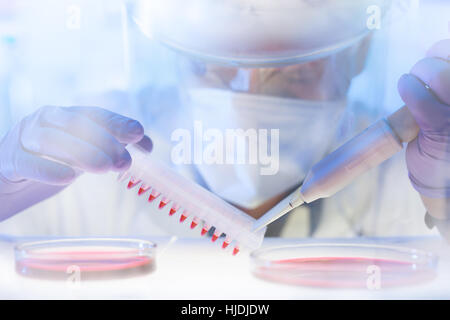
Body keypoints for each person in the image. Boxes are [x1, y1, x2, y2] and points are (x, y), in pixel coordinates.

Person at [0, 0, 448, 240]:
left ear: (360, 50)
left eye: (294, 72)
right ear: (177, 52)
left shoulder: (413, 176)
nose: (250, 91)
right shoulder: (83, 161)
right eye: (214, 65)